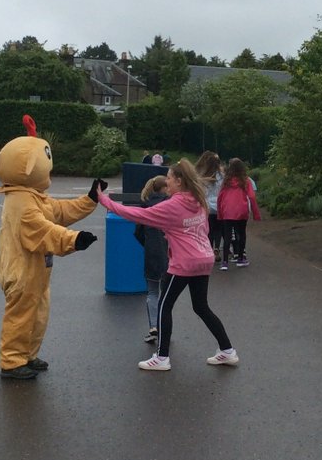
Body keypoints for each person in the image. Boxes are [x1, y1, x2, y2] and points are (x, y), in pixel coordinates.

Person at [96, 159, 237, 372]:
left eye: (170, 178)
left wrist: (104, 200)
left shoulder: (173, 205)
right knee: (201, 306)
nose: (167, 182)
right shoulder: (198, 199)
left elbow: (139, 215)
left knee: (164, 305)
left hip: (185, 263)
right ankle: (227, 350)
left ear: (179, 181)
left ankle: (162, 357)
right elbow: (204, 229)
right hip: (204, 258)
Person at [0, 116, 100, 381]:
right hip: (22, 273)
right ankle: (11, 362)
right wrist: (73, 240)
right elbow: (41, 230)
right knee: (20, 317)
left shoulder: (33, 196)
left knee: (37, 315)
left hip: (37, 272)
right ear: (29, 168)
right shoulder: (20, 202)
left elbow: (59, 211)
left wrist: (89, 200)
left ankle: (27, 355)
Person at [134, 175, 170, 346]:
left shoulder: (146, 206)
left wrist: (148, 244)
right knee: (167, 295)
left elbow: (138, 232)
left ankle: (153, 326)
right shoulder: (171, 205)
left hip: (151, 253)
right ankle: (165, 329)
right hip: (170, 254)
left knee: (152, 292)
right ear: (165, 188)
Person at [217, 157, 261, 269]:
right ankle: (241, 258)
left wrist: (220, 212)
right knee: (241, 234)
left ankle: (225, 262)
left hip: (227, 210)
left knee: (227, 236)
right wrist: (256, 214)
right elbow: (251, 196)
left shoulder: (226, 181)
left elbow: (220, 197)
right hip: (241, 210)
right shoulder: (246, 181)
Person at [195, 151, 224, 258]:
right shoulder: (222, 176)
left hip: (207, 206)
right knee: (218, 229)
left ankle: (209, 249)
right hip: (219, 205)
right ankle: (217, 247)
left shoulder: (202, 176)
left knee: (209, 229)